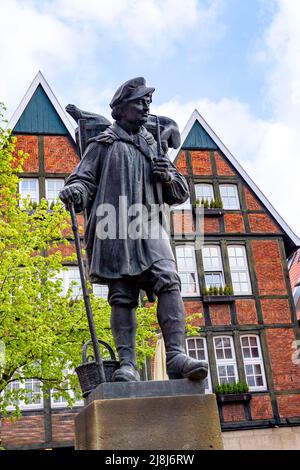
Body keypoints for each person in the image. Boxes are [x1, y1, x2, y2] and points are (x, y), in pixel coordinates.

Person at [59, 77, 208, 382]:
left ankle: (176, 355)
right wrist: (75, 191)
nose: (145, 108)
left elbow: (180, 192)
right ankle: (127, 363)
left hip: (149, 223)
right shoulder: (104, 144)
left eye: (147, 103)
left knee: (168, 279)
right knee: (122, 295)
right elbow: (83, 179)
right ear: (121, 109)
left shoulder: (153, 144)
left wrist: (168, 175)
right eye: (139, 103)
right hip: (114, 228)